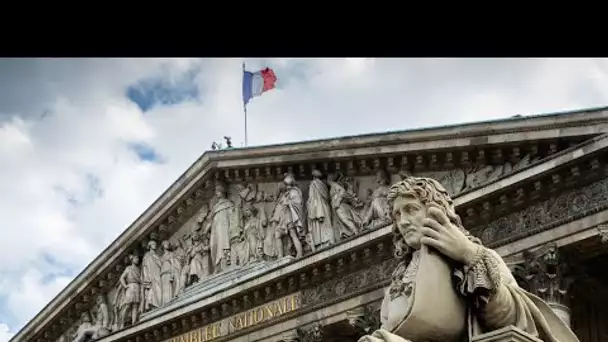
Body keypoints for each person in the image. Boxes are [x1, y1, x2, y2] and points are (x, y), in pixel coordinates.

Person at [359, 176, 579, 342]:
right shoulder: (396, 283)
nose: (403, 222)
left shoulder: (476, 256)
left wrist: (469, 255)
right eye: (397, 215)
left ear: (435, 211)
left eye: (411, 210)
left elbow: (512, 318)